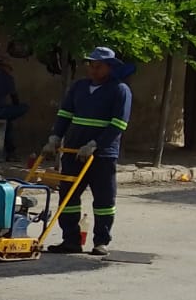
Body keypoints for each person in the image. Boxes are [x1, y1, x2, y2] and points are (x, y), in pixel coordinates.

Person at [41, 46, 133, 256]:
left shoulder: (120, 90)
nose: (93, 70)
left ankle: (101, 241)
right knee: (68, 197)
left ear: (109, 67)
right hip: (73, 150)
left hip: (101, 155)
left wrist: (94, 144)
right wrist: (54, 138)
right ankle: (70, 240)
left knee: (103, 200)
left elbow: (118, 124)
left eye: (98, 66)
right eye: (91, 65)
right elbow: (65, 114)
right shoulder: (78, 87)